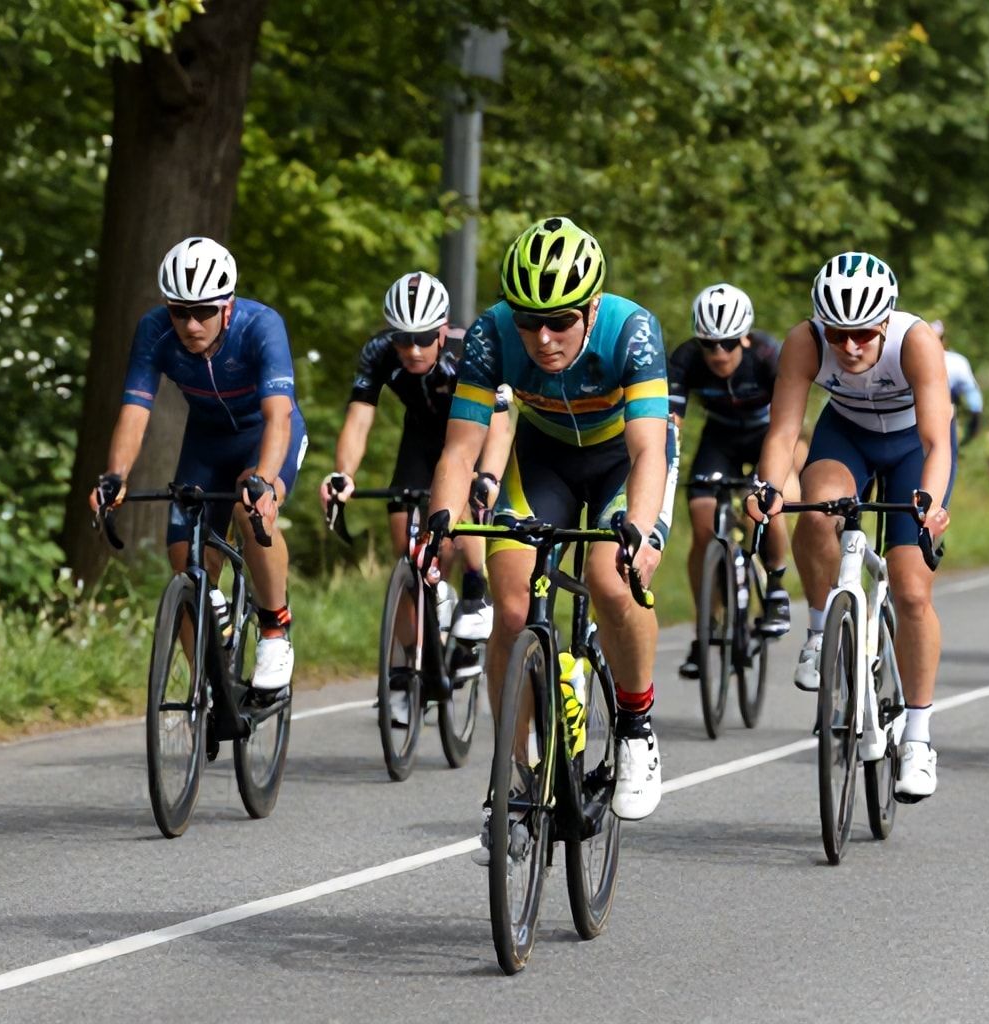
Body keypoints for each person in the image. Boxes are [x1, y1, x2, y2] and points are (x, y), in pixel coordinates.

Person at [422, 216, 675, 847]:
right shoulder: (490, 335)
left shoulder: (632, 329)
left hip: (624, 460)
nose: (542, 337)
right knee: (510, 607)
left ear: (591, 309)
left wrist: (639, 533)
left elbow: (649, 452)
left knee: (610, 583)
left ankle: (638, 724)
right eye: (528, 319)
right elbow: (459, 451)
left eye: (560, 321)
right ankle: (516, 781)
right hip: (545, 460)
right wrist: (439, 526)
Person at [748, 251, 954, 801]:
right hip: (848, 436)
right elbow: (783, 432)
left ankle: (917, 737)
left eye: (863, 333)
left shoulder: (916, 342)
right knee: (817, 509)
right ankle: (820, 630)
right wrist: (766, 488)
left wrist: (929, 502)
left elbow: (937, 440)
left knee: (911, 589)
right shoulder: (804, 342)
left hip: (914, 447)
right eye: (839, 335)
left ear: (885, 321)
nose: (851, 347)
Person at [89, 237, 307, 695]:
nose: (190, 324)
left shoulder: (261, 326)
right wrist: (115, 477)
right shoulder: (154, 331)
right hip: (206, 441)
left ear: (227, 307)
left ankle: (274, 630)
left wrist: (265, 480)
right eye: (179, 311)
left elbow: (277, 417)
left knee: (253, 509)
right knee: (183, 558)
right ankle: (207, 684)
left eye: (203, 312)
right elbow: (135, 409)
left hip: (265, 434)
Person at [320, 271, 511, 723]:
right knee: (407, 549)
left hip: (474, 435)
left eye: (423, 339)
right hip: (421, 440)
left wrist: (487, 476)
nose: (412, 350)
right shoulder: (378, 353)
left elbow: (500, 424)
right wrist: (343, 474)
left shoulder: (472, 350)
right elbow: (360, 419)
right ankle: (407, 671)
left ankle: (475, 592)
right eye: (402, 339)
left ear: (442, 330)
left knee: (463, 505)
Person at [669, 282, 792, 680]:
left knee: (767, 508)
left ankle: (775, 585)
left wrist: (777, 473)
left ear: (744, 337)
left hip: (764, 435)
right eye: (709, 345)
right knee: (703, 528)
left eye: (726, 344)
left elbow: (788, 421)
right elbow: (670, 423)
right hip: (719, 438)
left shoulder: (767, 355)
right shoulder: (686, 358)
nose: (718, 354)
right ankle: (707, 629)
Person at [933, 320, 983, 447]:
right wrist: (976, 416)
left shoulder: (902, 358)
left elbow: (971, 392)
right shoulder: (956, 362)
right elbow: (971, 392)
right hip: (943, 417)